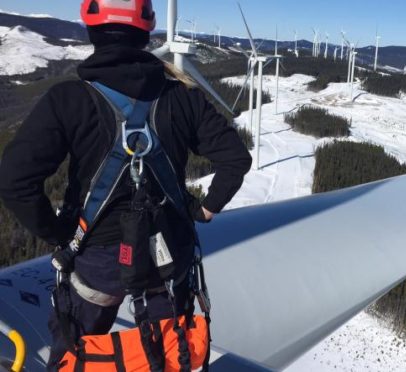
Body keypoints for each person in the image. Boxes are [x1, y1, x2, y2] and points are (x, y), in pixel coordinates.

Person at [0, 0, 252, 370]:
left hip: (96, 260)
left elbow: (14, 180)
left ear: (91, 30)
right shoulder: (182, 97)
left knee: (77, 354)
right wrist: (204, 209)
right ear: (147, 30)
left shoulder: (68, 99)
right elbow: (236, 158)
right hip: (167, 256)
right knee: (167, 356)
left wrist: (59, 233)